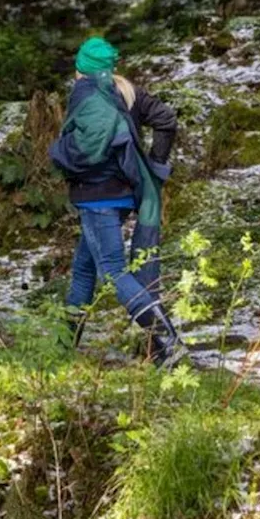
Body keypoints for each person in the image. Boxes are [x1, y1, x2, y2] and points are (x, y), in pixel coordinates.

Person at [51, 37, 186, 368]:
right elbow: (166, 119)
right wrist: (153, 167)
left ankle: (168, 341)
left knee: (112, 269)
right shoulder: (121, 91)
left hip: (97, 197)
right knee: (84, 267)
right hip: (124, 194)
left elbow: (81, 151)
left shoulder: (84, 94)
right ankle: (62, 348)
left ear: (80, 68)